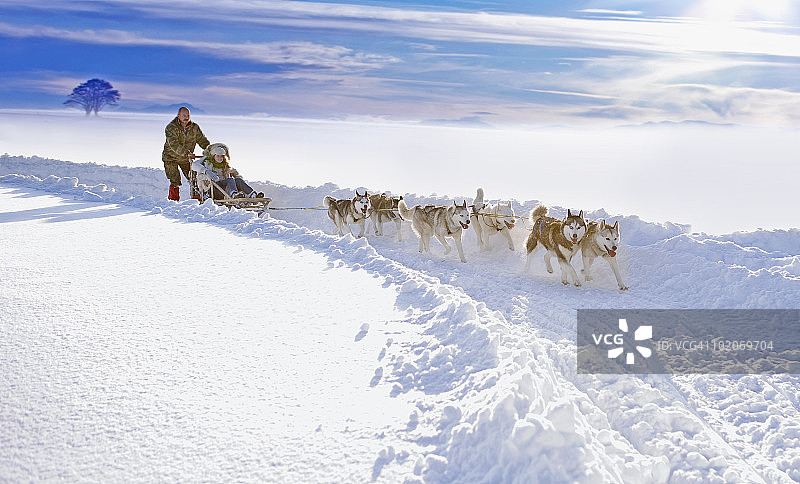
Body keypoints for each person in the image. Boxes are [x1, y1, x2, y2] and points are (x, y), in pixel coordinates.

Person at [162, 106, 210, 201]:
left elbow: (202, 140)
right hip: (171, 158)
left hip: (186, 159)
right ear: (178, 116)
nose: (186, 117)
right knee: (174, 179)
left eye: (188, 115)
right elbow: (174, 145)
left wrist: (210, 150)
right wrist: (186, 153)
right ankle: (173, 200)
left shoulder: (194, 127)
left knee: (194, 178)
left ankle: (197, 198)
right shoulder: (171, 127)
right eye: (184, 115)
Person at [191, 143, 264, 200]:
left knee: (237, 180)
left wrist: (239, 180)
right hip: (212, 189)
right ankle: (233, 194)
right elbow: (194, 165)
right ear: (213, 156)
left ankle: (252, 195)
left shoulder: (225, 165)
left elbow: (235, 173)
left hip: (223, 189)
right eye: (218, 156)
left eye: (222, 156)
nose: (220, 158)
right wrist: (207, 172)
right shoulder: (207, 163)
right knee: (230, 180)